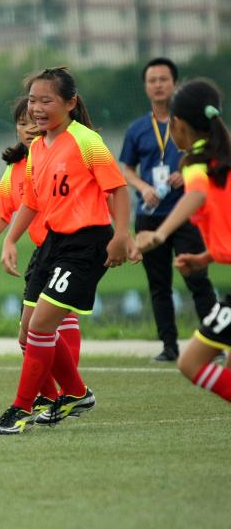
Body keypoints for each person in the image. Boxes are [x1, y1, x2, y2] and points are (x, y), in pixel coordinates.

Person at [0, 67, 131, 435]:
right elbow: (32, 202)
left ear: (70, 103)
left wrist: (121, 236)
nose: (37, 108)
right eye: (33, 101)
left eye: (46, 101)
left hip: (86, 242)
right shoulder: (38, 147)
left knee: (41, 325)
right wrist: (9, 239)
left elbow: (117, 189)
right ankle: (75, 393)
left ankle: (21, 409)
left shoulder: (86, 141)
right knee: (27, 332)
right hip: (54, 243)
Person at [0, 96, 82, 416]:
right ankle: (55, 395)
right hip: (44, 253)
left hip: (69, 248)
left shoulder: (66, 153)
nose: (28, 128)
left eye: (33, 121)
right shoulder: (15, 168)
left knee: (49, 323)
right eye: (21, 123)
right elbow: (6, 210)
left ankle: (68, 393)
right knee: (33, 331)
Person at [136, 78, 231, 403]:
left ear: (177, 124)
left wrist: (161, 233)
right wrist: (205, 258)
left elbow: (196, 196)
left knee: (191, 362)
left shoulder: (196, 164)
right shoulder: (221, 160)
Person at [120, 58, 216, 362]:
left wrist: (185, 172)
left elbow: (208, 159)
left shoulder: (191, 124)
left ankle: (214, 343)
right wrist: (142, 187)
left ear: (175, 83)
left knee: (197, 278)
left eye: (163, 79)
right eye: (152, 80)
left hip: (188, 215)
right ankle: (169, 346)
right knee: (159, 286)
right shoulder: (137, 129)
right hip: (150, 216)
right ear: (146, 87)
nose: (158, 85)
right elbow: (126, 169)